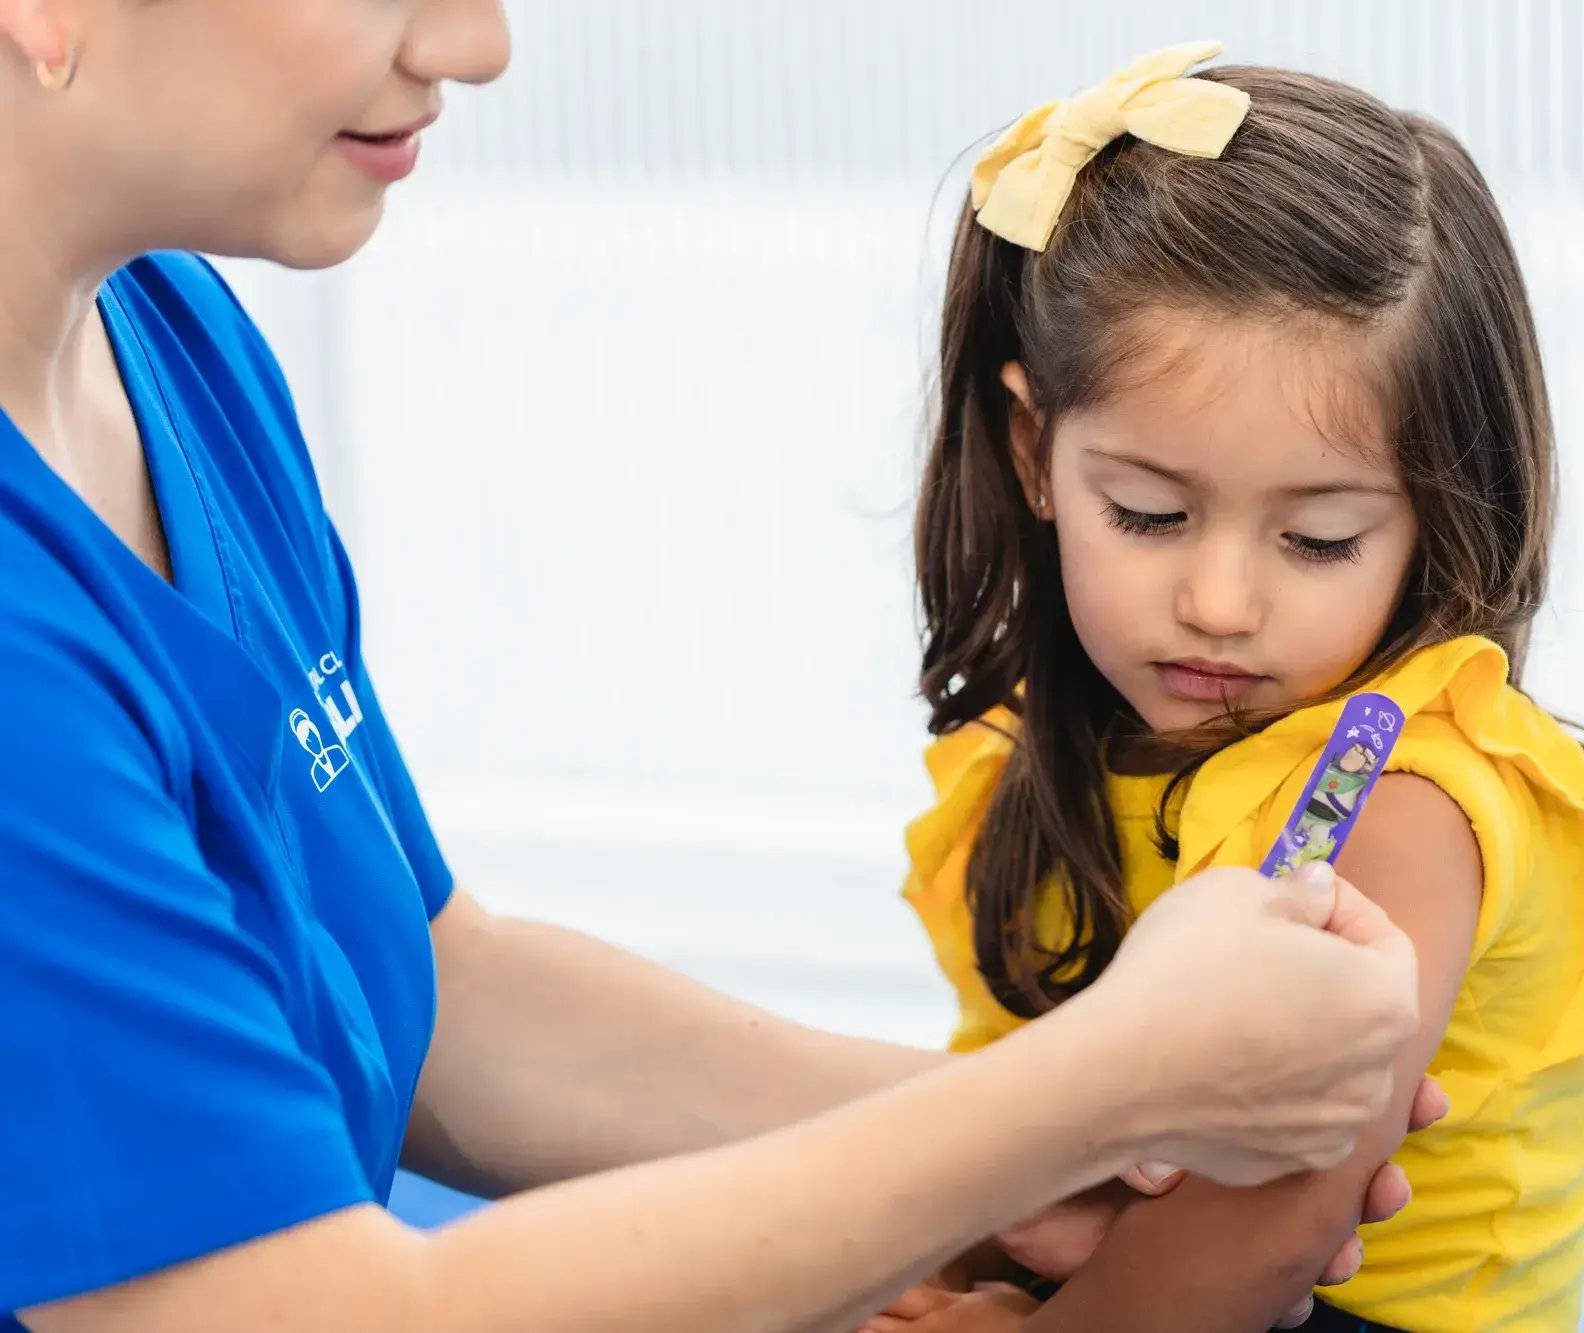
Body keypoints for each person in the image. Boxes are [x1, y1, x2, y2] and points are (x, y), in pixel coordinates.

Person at [0, 6, 1439, 1331]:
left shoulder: (164, 335)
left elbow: (425, 985)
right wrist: (1093, 1092)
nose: (479, 42)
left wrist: (1059, 1137)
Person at [878, 45, 1584, 1332]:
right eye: (1148, 514)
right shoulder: (1035, 748)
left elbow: (1265, 1227)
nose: (1219, 602)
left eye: (1317, 540)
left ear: (1435, 515)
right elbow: (1003, 1110)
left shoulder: (1405, 801)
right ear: (1036, 451)